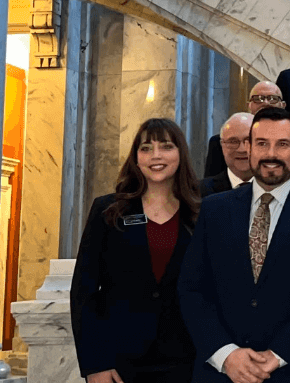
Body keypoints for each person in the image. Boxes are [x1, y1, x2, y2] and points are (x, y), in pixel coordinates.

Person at [178, 107, 290, 383]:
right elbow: (192, 289)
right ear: (249, 149)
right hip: (223, 373)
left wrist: (278, 354)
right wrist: (226, 355)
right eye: (262, 143)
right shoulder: (214, 209)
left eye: (282, 144)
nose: (271, 154)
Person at [72, 119, 199, 383]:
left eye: (166, 146)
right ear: (136, 158)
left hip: (187, 360)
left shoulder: (202, 213)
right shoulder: (108, 211)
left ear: (180, 154)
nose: (156, 156)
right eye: (145, 148)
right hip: (119, 363)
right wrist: (95, 364)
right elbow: (84, 292)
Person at [203, 81, 288, 177]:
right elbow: (212, 185)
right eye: (258, 99)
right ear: (249, 106)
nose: (265, 103)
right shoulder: (219, 143)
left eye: (273, 99)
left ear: (283, 105)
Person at [201, 113, 254, 197]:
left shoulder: (279, 189)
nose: (242, 149)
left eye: (249, 140)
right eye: (233, 141)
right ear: (222, 145)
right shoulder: (196, 193)